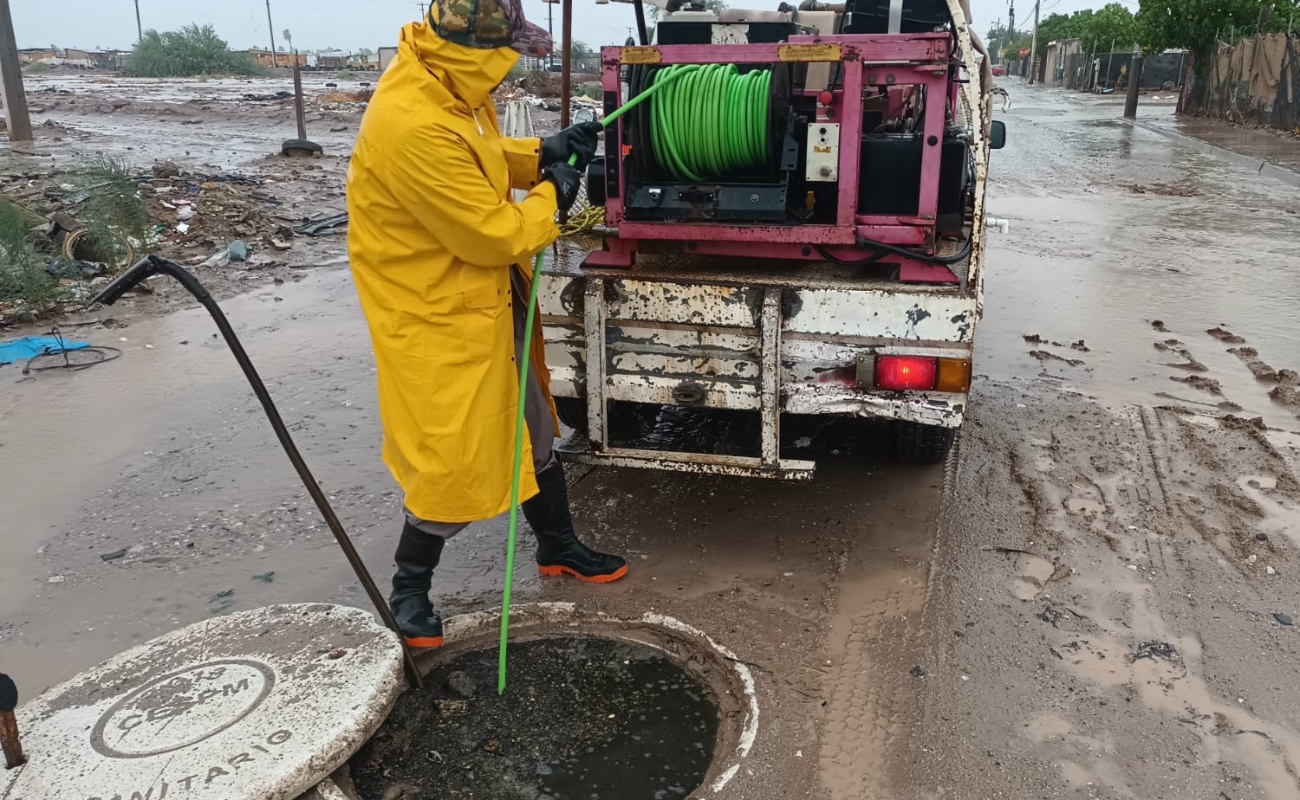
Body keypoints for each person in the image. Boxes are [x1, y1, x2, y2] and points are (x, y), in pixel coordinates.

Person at [346, 0, 627, 649]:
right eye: (506, 56)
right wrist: (556, 192)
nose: (509, 71)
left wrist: (540, 154)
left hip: (485, 294)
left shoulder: (444, 84)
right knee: (454, 453)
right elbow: (494, 234)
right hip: (435, 307)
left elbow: (478, 155)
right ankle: (408, 589)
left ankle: (558, 546)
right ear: (474, 50)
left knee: (534, 420)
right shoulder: (411, 121)